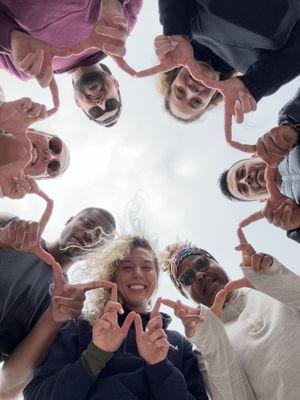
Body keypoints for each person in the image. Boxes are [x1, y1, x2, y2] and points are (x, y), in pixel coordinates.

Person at [24, 235, 208, 400]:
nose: (137, 273)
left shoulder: (177, 343)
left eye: (147, 267)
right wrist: (96, 355)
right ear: (113, 276)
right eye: (127, 267)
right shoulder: (84, 326)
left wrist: (160, 367)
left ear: (156, 277)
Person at [161, 229, 300, 400]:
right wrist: (212, 342)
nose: (199, 275)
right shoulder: (206, 349)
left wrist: (275, 280)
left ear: (216, 262)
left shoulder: (268, 283)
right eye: (186, 278)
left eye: (201, 263)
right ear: (186, 296)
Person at [0, 207, 116, 398]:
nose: (89, 234)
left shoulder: (66, 309)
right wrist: (2, 238)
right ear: (70, 219)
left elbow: (7, 388)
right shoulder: (12, 225)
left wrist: (53, 319)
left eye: (99, 239)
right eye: (87, 223)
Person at [137, 0, 300, 136]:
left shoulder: (185, 21)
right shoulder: (256, 67)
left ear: (173, 76)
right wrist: (258, 83)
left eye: (180, 91)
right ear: (213, 98)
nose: (192, 91)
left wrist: (174, 30)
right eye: (197, 102)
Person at [0, 0, 143, 127]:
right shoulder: (120, 27)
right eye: (111, 104)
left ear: (77, 103)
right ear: (116, 82)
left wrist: (11, 37)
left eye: (95, 111)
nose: (100, 103)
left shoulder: (24, 67)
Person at [219, 89, 300, 242]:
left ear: (255, 156)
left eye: (241, 172)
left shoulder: (288, 121)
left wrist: (293, 125)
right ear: (262, 200)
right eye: (244, 189)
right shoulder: (292, 220)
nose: (246, 180)